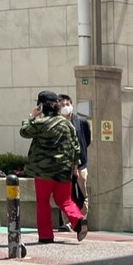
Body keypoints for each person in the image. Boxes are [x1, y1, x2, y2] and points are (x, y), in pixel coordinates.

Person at [19, 91, 87, 244]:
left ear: (41, 106)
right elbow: (76, 147)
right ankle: (78, 220)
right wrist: (75, 166)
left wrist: (31, 116)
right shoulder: (67, 124)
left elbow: (24, 132)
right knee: (65, 200)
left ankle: (46, 236)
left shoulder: (40, 123)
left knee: (43, 202)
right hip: (64, 170)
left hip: (44, 172)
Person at [58, 94, 91, 213]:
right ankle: (67, 221)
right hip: (63, 166)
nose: (65, 107)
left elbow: (86, 140)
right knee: (65, 196)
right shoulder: (57, 123)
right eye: (62, 105)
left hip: (81, 165)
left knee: (82, 194)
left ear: (72, 105)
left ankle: (82, 218)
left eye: (67, 104)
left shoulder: (81, 121)